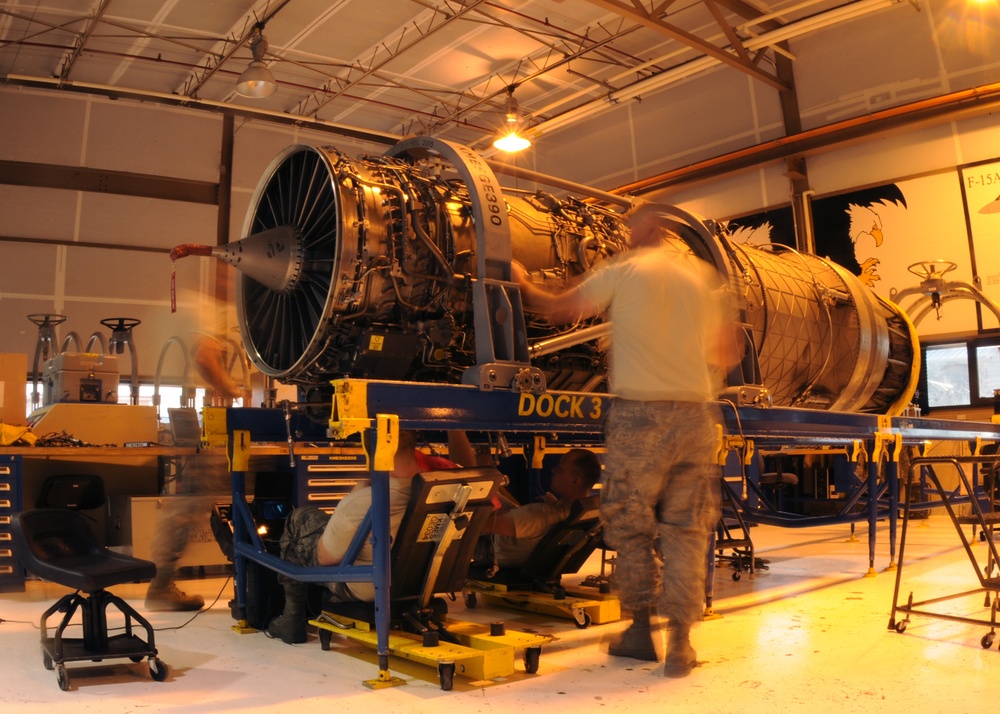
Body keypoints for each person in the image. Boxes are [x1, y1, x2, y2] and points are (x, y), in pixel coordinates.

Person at [513, 202, 741, 677]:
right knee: (686, 529)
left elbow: (559, 311)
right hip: (696, 416)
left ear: (643, 230)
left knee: (631, 525)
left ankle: (640, 630)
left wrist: (522, 281)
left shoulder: (624, 269)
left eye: (629, 226)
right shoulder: (702, 276)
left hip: (640, 415)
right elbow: (727, 349)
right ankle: (681, 642)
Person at [266, 429, 476, 644]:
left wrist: (351, 500)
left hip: (365, 588)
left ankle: (292, 618)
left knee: (299, 518)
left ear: (372, 449)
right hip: (421, 582)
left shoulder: (360, 503)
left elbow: (324, 560)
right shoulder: (447, 494)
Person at [145, 332, 242, 611]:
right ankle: (162, 586)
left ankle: (162, 584)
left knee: (191, 506)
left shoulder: (209, 317)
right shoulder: (211, 319)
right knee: (189, 508)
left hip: (212, 430)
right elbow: (203, 356)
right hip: (211, 432)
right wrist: (230, 388)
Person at [475, 448, 602, 571]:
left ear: (575, 480)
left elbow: (480, 522)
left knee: (475, 482)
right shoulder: (584, 513)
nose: (554, 470)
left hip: (490, 547)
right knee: (492, 490)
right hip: (522, 538)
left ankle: (458, 432)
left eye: (561, 470)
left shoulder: (540, 515)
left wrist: (482, 474)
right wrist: (555, 503)